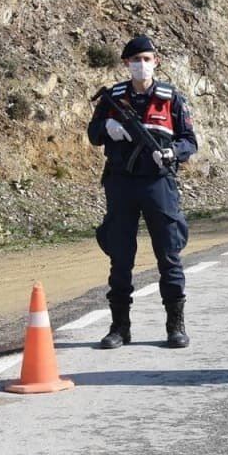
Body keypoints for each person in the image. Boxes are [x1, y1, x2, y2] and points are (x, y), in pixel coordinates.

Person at [87, 35, 198, 349]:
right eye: (135, 60)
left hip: (158, 183)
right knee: (120, 257)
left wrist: (172, 153)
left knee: (169, 254)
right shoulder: (113, 97)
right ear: (126, 64)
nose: (141, 65)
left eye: (147, 59)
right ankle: (119, 327)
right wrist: (107, 128)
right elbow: (93, 134)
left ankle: (175, 325)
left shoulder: (171, 98)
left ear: (156, 62)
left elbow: (190, 141)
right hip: (121, 182)